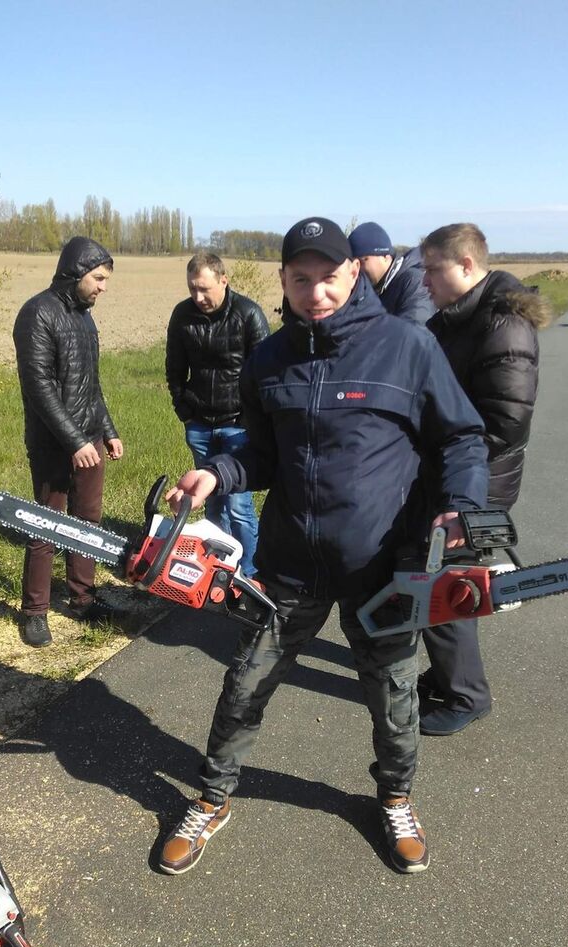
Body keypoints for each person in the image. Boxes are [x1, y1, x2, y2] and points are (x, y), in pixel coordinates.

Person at [159, 217, 488, 877]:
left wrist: (461, 505)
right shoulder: (268, 359)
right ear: (283, 280)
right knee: (245, 683)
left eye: (329, 277)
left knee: (393, 694)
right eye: (301, 279)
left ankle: (395, 798)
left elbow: (461, 437)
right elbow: (260, 455)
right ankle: (213, 797)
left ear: (353, 272)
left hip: (381, 566)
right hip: (291, 565)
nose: (317, 293)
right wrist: (216, 474)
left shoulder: (407, 347)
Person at [417, 223, 550, 736]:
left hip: (477, 480)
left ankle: (465, 695)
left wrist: (443, 449)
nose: (424, 280)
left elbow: (504, 422)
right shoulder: (462, 316)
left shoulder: (502, 324)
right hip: (454, 471)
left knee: (444, 581)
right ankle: (447, 674)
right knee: (440, 575)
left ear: (467, 266)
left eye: (433, 269)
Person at [13, 236, 123, 648]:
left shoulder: (85, 318)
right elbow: (39, 387)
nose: (103, 288)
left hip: (89, 441)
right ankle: (34, 612)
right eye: (98, 279)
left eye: (106, 280)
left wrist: (107, 431)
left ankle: (82, 600)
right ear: (76, 273)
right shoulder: (37, 313)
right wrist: (75, 441)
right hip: (53, 444)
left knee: (87, 523)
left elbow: (91, 385)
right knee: (46, 528)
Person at [165, 252, 269, 578]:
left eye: (204, 288)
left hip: (238, 427)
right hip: (199, 424)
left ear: (223, 281)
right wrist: (184, 409)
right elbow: (174, 369)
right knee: (210, 502)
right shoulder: (183, 315)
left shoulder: (248, 314)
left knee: (238, 507)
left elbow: (265, 375)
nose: (198, 297)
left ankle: (249, 574)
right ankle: (218, 571)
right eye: (192, 289)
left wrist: (251, 421)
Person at [348, 221, 434, 326]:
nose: (358, 269)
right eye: (353, 263)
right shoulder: (367, 290)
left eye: (362, 261)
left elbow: (415, 329)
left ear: (385, 256)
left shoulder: (413, 282)